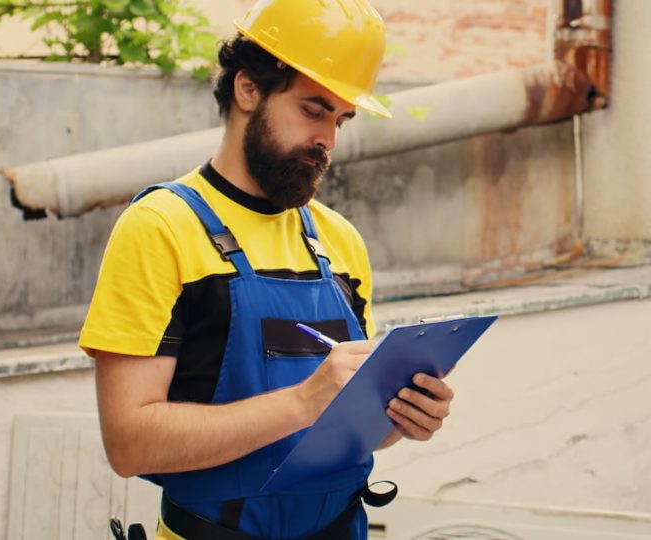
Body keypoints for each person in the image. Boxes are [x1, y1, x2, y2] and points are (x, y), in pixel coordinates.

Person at [79, 1, 455, 538]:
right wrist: (303, 401)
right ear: (248, 88)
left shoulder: (339, 241)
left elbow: (353, 425)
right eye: (313, 109)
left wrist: (401, 416)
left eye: (341, 119)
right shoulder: (160, 227)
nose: (328, 138)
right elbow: (129, 442)